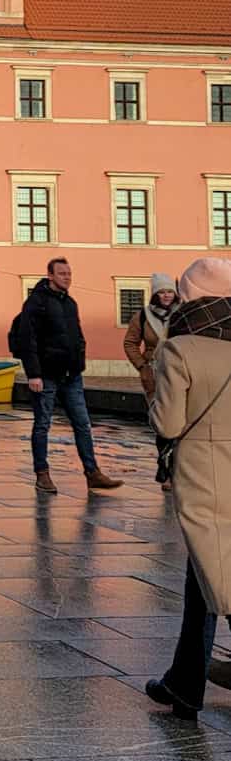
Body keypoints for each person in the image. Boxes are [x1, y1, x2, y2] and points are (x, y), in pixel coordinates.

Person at [145, 257, 231, 720]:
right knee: (206, 575)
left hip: (206, 478)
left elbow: (169, 422)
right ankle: (185, 683)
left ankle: (186, 685)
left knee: (214, 574)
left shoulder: (180, 348)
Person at [13, 257, 122, 495]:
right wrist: (34, 374)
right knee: (43, 424)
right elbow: (27, 339)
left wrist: (79, 360)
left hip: (71, 375)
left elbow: (77, 334)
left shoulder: (70, 303)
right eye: (62, 274)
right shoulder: (36, 303)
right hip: (46, 375)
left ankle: (92, 473)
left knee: (83, 424)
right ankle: (42, 474)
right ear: (50, 275)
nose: (67, 277)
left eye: (69, 273)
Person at [124, 272, 179, 486]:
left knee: (179, 421)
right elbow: (130, 343)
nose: (166, 296)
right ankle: (165, 467)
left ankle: (174, 469)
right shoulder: (143, 316)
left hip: (178, 372)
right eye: (162, 292)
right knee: (161, 422)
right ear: (155, 294)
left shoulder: (181, 313)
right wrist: (142, 366)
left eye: (169, 292)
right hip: (154, 376)